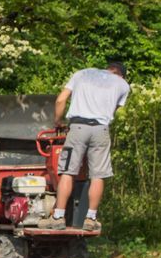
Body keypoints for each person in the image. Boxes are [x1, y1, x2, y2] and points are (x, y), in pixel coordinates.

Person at [48, 61, 130, 231]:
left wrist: (58, 121)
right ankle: (90, 218)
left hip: (77, 128)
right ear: (121, 75)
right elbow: (112, 111)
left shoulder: (82, 73)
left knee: (68, 172)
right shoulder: (123, 85)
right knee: (98, 175)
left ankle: (58, 216)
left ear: (107, 69)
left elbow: (61, 99)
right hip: (101, 130)